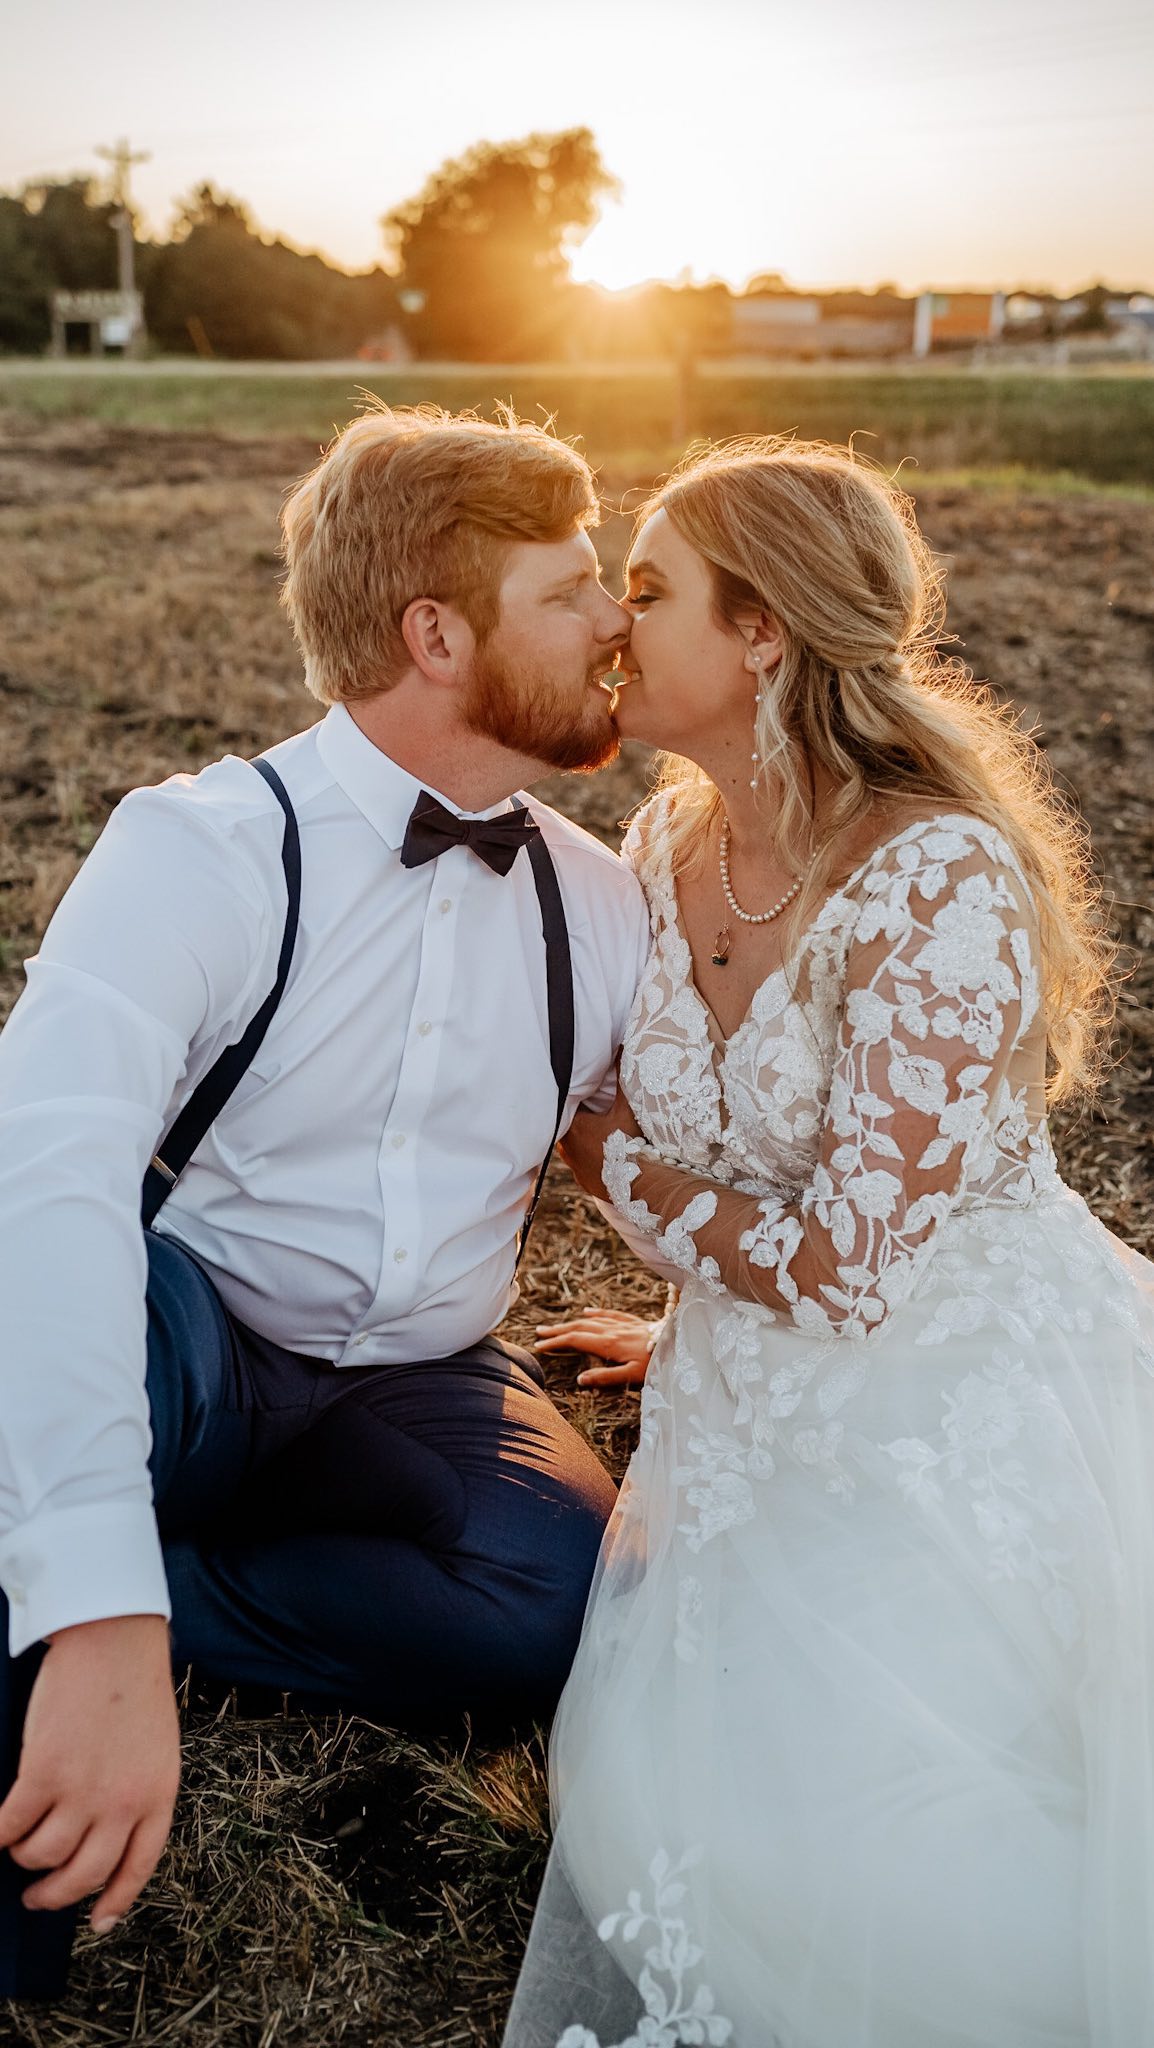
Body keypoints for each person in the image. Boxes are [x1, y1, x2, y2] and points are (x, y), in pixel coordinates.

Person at [503, 436, 1154, 2047]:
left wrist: (601, 1160)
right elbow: (755, 1180)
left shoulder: (939, 880)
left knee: (874, 1850)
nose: (613, 623)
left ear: (761, 633)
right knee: (656, 1793)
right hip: (744, 1393)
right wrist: (690, 1317)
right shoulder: (663, 842)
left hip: (955, 1392)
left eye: (647, 590)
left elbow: (852, 1267)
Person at [0, 406, 650, 1998]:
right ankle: (79, 1601)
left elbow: (658, 1148)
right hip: (192, 1333)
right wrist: (90, 1616)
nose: (614, 617)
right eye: (569, 588)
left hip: (421, 1371)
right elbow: (45, 1181)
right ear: (436, 635)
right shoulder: (203, 848)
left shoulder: (599, 900)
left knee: (557, 1608)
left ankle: (159, 1584)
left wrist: (709, 1303)